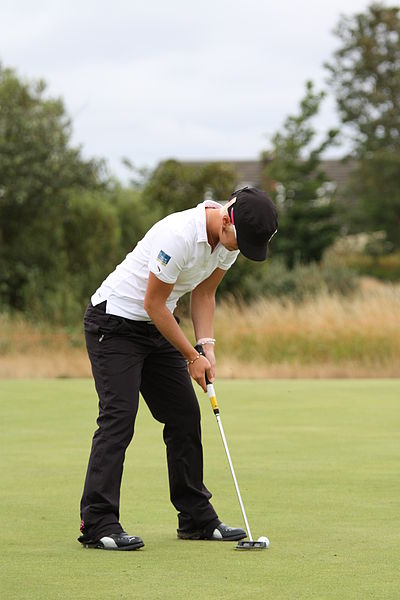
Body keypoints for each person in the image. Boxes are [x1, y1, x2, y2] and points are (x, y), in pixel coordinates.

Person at [78, 186, 278, 550]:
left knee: (185, 414)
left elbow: (204, 295)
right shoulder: (180, 236)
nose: (237, 249)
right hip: (114, 323)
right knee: (119, 417)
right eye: (239, 241)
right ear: (226, 218)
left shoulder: (228, 242)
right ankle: (97, 522)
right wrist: (191, 355)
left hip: (157, 326)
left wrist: (207, 348)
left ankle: (195, 517)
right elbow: (153, 303)